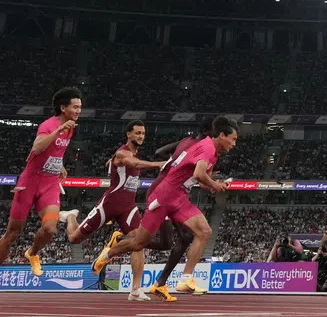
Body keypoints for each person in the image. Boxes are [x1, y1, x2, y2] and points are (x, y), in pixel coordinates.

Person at [93, 116, 238, 296]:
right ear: (221, 135)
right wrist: (214, 184)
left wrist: (215, 184)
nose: (234, 144)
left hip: (179, 197)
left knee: (204, 231)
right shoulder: (207, 147)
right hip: (164, 196)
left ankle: (186, 279)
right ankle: (107, 255)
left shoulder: (214, 152)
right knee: (139, 243)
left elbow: (201, 180)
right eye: (233, 139)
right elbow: (199, 174)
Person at [62, 121, 167, 300]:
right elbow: (136, 164)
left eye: (143, 133)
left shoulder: (127, 154)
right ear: (128, 134)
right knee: (74, 238)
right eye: (137, 133)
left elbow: (118, 163)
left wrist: (111, 164)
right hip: (109, 204)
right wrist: (159, 164)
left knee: (139, 242)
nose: (141, 136)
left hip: (128, 206)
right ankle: (70, 216)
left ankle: (135, 290)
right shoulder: (123, 153)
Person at [0, 86, 82, 275]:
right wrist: (59, 130)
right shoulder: (49, 125)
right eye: (75, 107)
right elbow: (37, 148)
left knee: (50, 229)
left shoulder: (70, 128)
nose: (79, 111)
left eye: (80, 107)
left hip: (50, 184)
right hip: (29, 183)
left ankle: (32, 253)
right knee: (12, 233)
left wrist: (60, 165)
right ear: (63, 108)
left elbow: (56, 150)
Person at [134, 122, 212, 301]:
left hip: (170, 193)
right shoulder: (198, 148)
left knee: (170, 242)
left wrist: (172, 163)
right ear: (206, 134)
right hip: (163, 194)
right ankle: (122, 242)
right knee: (180, 238)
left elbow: (159, 152)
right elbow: (199, 177)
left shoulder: (185, 141)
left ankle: (160, 283)